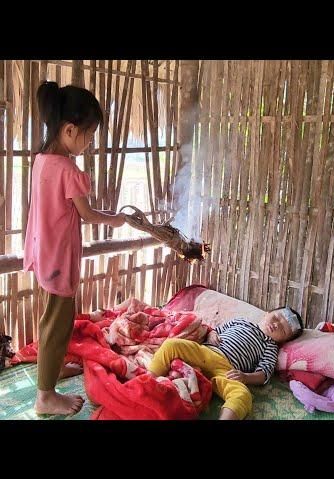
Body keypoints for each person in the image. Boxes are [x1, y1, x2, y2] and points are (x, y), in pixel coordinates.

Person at [23, 82, 127, 415]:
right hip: (58, 259)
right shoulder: (67, 169)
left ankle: (49, 373)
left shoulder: (42, 160)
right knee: (58, 325)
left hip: (43, 255)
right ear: (69, 129)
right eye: (90, 134)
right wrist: (114, 220)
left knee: (50, 320)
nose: (91, 141)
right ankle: (45, 396)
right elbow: (87, 213)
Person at [147, 306, 304, 420]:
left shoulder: (270, 346)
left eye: (282, 330)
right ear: (267, 313)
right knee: (172, 345)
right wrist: (211, 335)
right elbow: (215, 330)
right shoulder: (241, 321)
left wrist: (245, 377)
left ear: (283, 340)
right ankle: (148, 379)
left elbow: (264, 374)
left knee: (243, 396)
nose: (276, 325)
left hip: (227, 370)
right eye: (276, 318)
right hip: (205, 353)